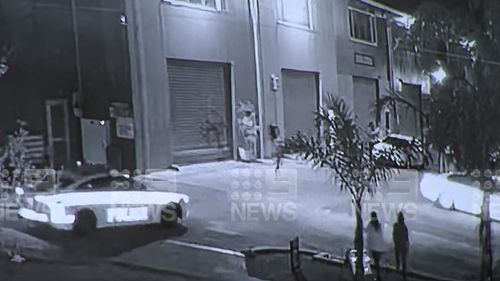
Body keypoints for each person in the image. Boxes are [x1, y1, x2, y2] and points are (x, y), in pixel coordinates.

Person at [366, 211, 388, 281]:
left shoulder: (370, 224)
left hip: (373, 247)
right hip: (379, 247)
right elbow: (381, 235)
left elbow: (367, 232)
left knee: (376, 262)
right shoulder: (379, 225)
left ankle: (378, 276)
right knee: (377, 262)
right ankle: (378, 275)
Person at [393, 211, 410, 280]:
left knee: (398, 259)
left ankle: (398, 270)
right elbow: (406, 237)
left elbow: (394, 235)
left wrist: (395, 242)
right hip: (403, 245)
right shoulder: (404, 226)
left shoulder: (395, 225)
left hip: (397, 244)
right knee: (404, 260)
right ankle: (404, 274)